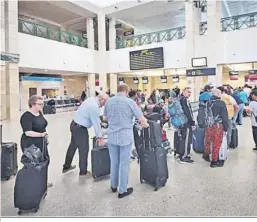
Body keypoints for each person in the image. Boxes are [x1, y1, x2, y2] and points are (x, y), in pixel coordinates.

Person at [103, 84, 148, 199]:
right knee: (124, 163)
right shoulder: (130, 102)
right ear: (127, 91)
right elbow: (141, 119)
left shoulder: (109, 101)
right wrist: (145, 124)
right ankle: (122, 190)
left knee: (114, 162)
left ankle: (113, 186)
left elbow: (105, 118)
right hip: (125, 137)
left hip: (112, 136)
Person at [62, 92, 109, 178]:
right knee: (84, 149)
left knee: (72, 146)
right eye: (105, 102)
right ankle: (83, 173)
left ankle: (66, 166)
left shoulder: (91, 100)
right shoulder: (94, 107)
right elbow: (95, 123)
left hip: (74, 124)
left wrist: (100, 122)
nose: (104, 105)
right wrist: (100, 137)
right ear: (102, 100)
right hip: (80, 129)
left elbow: (92, 117)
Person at [20, 95, 53, 187]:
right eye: (40, 104)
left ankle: (42, 181)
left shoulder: (39, 113)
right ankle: (34, 183)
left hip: (41, 142)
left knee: (45, 161)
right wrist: (41, 135)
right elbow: (28, 132)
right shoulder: (26, 116)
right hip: (31, 143)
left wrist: (45, 137)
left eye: (42, 104)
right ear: (32, 104)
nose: (42, 106)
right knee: (34, 164)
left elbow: (42, 126)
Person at [202, 89, 229, 168]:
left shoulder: (207, 102)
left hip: (208, 125)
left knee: (208, 141)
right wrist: (225, 128)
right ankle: (214, 161)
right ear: (218, 94)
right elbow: (225, 117)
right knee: (216, 143)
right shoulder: (221, 103)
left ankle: (206, 155)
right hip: (217, 126)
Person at [177, 87, 196, 163]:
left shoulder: (179, 99)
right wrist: (192, 123)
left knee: (183, 138)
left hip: (181, 122)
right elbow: (188, 112)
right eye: (188, 92)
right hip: (186, 123)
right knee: (186, 139)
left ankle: (181, 153)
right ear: (183, 91)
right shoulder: (184, 100)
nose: (189, 94)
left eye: (190, 92)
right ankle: (183, 156)